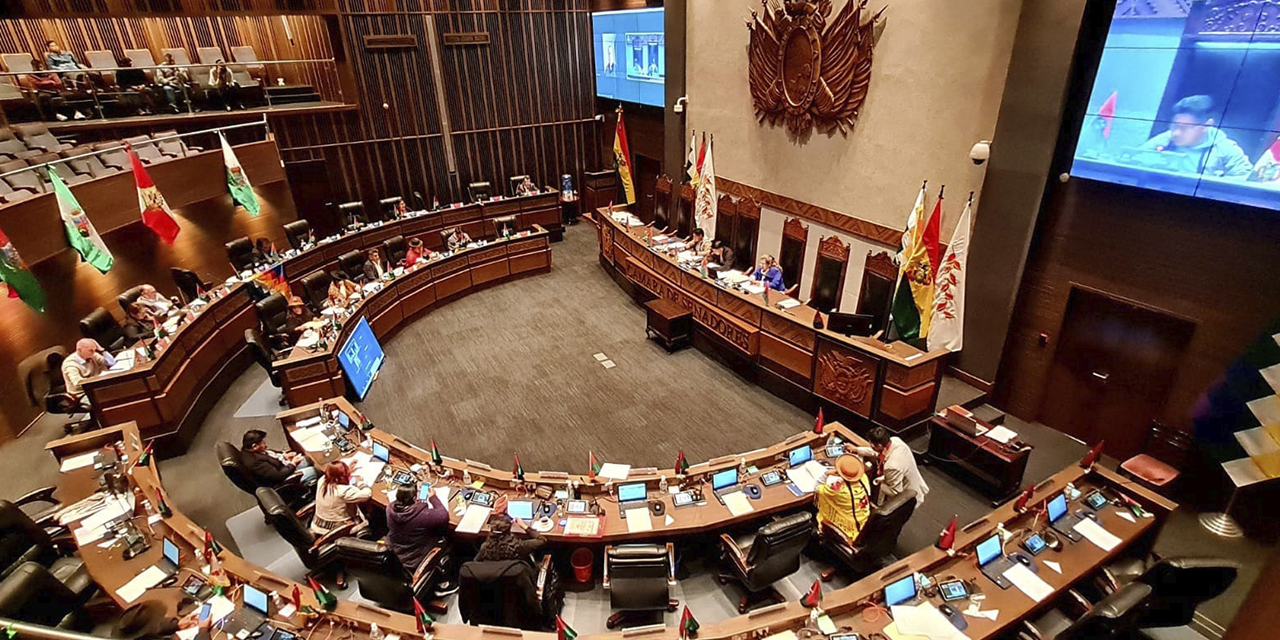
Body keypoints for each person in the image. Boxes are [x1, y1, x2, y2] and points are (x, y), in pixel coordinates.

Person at [1140, 95, 1251, 179]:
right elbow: (1133, 161)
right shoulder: (1164, 139)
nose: (1176, 133)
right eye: (1174, 126)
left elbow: (1246, 179)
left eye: (1184, 128)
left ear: (1206, 125)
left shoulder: (1225, 149)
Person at [386, 483, 455, 594]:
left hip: (396, 553)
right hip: (415, 557)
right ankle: (443, 583)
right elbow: (443, 516)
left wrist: (420, 502)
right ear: (414, 498)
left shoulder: (390, 509)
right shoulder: (423, 516)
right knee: (447, 540)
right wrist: (433, 498)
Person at [850, 427, 929, 506]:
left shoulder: (891, 466)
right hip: (902, 479)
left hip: (907, 496)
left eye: (872, 445)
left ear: (880, 445)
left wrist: (881, 483)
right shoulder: (894, 440)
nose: (871, 446)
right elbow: (878, 453)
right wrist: (857, 450)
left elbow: (896, 492)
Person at [815, 454, 874, 542]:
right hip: (864, 520)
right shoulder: (864, 478)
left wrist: (826, 474)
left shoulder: (838, 491)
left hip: (848, 528)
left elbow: (817, 488)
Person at [311, 461, 372, 537]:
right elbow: (367, 494)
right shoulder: (343, 491)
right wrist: (360, 483)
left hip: (320, 524)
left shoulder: (322, 481)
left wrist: (347, 471)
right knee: (369, 512)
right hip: (337, 528)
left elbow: (333, 474)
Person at [240, 429, 316, 487]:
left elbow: (270, 455)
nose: (265, 445)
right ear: (255, 446)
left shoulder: (249, 451)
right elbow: (278, 476)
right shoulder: (255, 463)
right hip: (284, 479)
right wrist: (293, 464)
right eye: (263, 443)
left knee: (307, 459)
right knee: (315, 470)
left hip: (282, 466)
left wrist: (284, 456)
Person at [61, 338, 115, 409]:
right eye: (90, 350)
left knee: (118, 393)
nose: (93, 352)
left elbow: (111, 363)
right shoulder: (70, 364)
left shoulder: (93, 355)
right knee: (107, 401)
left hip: (97, 389)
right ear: (80, 350)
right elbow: (78, 383)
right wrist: (97, 380)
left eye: (94, 350)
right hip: (82, 394)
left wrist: (102, 350)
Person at [474, 512, 546, 563]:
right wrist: (525, 527)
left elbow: (476, 563)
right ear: (509, 530)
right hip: (522, 577)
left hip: (496, 580)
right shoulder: (518, 546)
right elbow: (542, 540)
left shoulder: (485, 547)